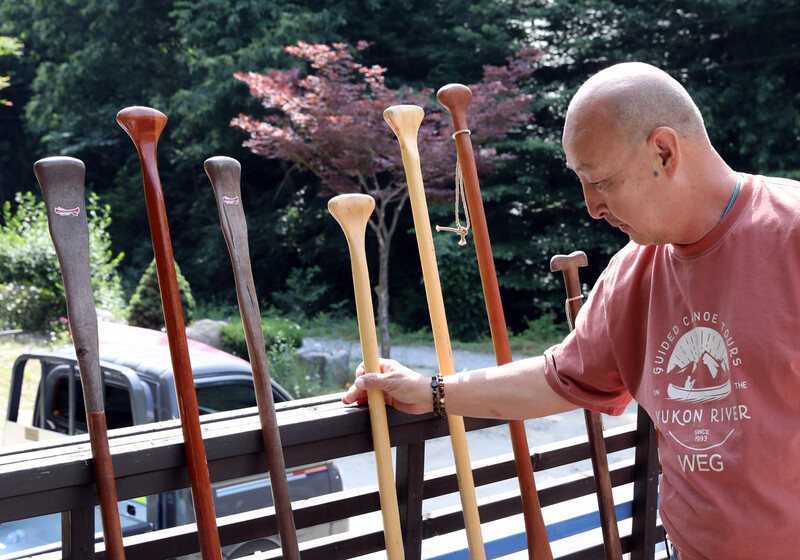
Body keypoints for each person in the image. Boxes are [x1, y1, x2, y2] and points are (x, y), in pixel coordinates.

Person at [342, 62, 800, 560]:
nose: (591, 207)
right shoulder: (634, 274)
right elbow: (558, 378)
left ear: (664, 152)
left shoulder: (789, 234)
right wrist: (431, 392)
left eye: (600, 181)